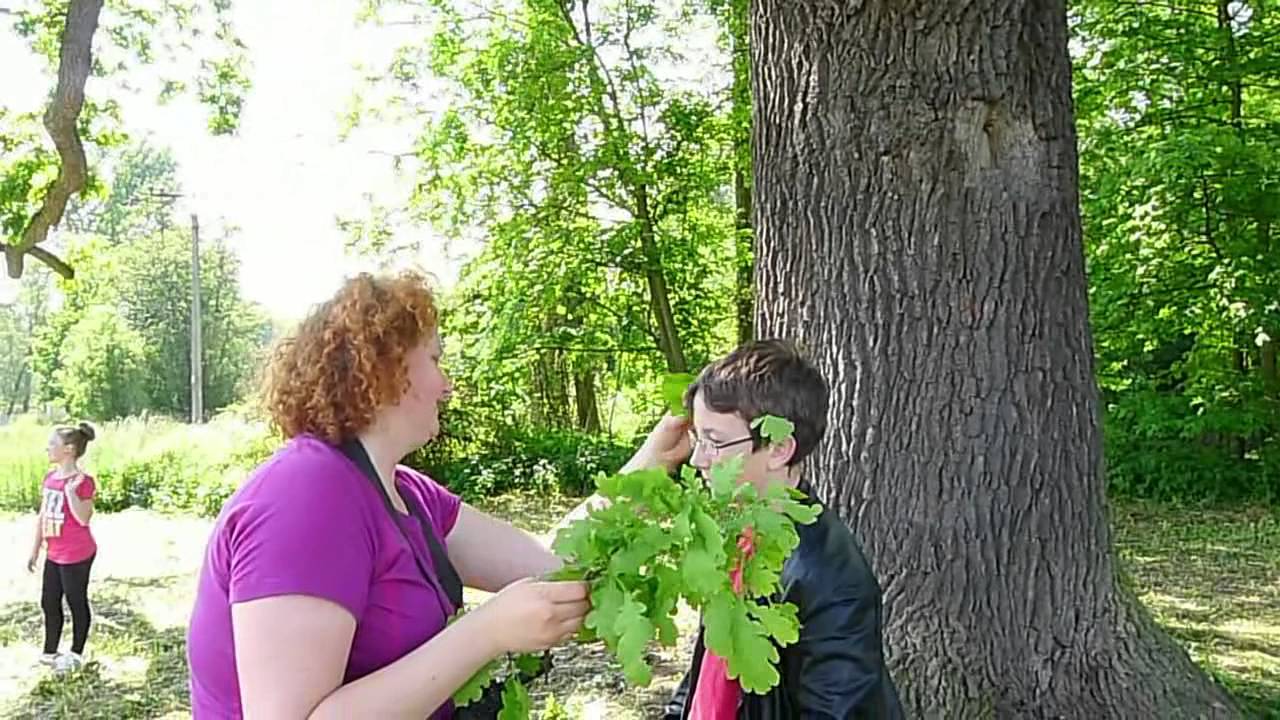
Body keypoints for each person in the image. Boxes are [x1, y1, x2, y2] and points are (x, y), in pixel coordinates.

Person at [186, 271, 596, 719]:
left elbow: (554, 565)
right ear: (385, 367)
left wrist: (649, 460)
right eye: (435, 359)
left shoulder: (408, 493)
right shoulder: (305, 494)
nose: (447, 385)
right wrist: (487, 632)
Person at [636, 339, 904, 719]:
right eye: (698, 438)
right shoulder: (735, 532)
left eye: (715, 442)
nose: (697, 459)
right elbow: (709, 670)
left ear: (779, 449)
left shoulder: (829, 578)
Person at [27, 422, 99, 674]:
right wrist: (35, 549)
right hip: (54, 553)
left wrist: (70, 492)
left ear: (68, 449)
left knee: (75, 601)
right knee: (49, 601)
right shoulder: (49, 479)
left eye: (52, 444)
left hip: (77, 554)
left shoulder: (83, 482)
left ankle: (76, 653)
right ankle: (50, 651)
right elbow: (43, 516)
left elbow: (83, 518)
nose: (47, 448)